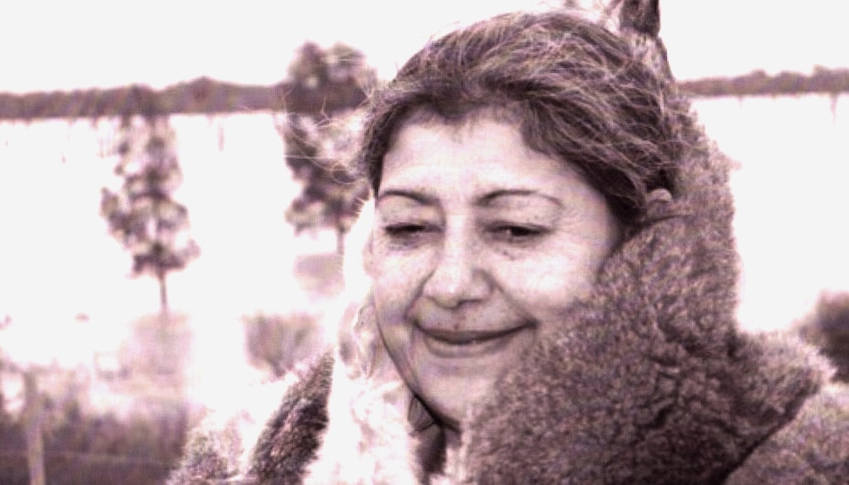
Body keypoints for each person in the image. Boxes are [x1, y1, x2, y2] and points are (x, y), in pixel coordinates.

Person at [169, 2, 849, 483]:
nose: (452, 283)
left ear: (645, 242)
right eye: (409, 227)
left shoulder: (795, 458)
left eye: (516, 228)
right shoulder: (243, 459)